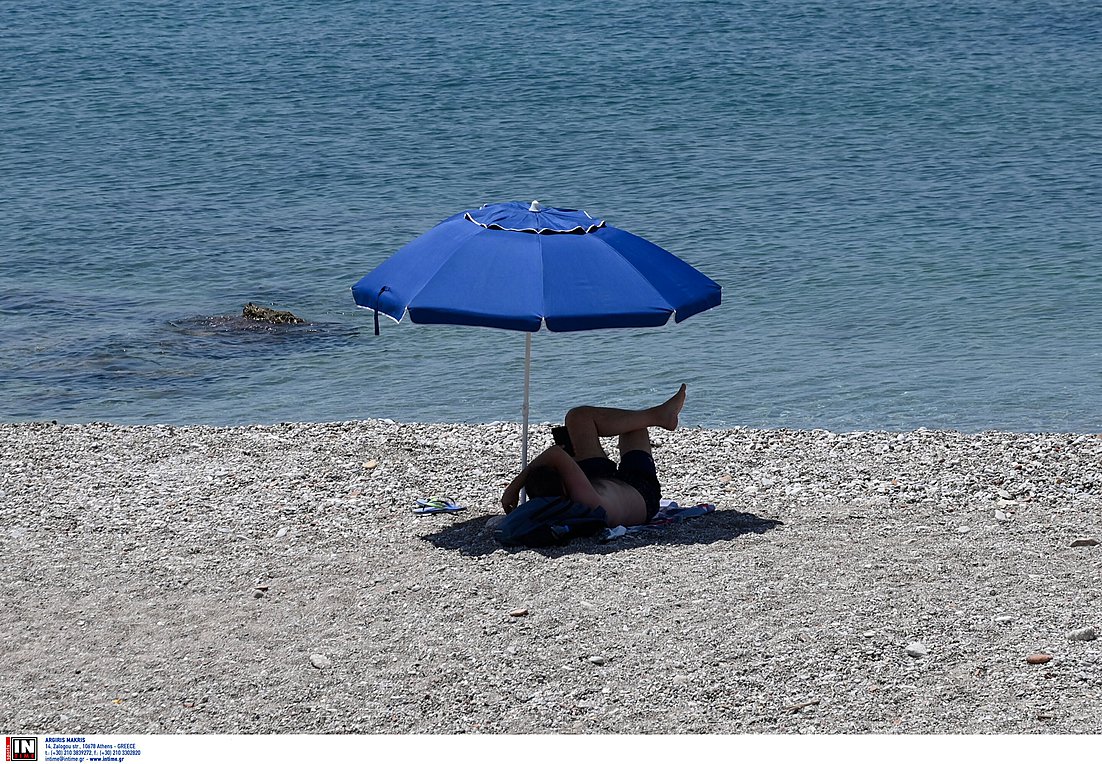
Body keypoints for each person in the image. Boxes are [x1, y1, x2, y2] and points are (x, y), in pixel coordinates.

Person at [500, 384, 686, 528]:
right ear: (565, 491)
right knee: (634, 429)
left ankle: (659, 415)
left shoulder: (572, 496)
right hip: (641, 492)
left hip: (598, 481)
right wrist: (513, 489)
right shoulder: (586, 502)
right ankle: (659, 416)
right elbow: (554, 454)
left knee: (578, 417)